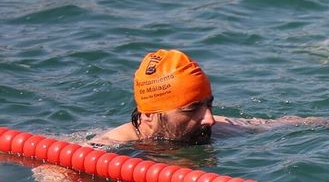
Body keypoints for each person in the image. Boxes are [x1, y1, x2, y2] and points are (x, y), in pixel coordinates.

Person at [94, 49, 297, 146]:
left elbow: (280, 124)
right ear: (148, 114)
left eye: (209, 105)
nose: (210, 119)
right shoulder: (111, 146)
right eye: (191, 109)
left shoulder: (224, 127)